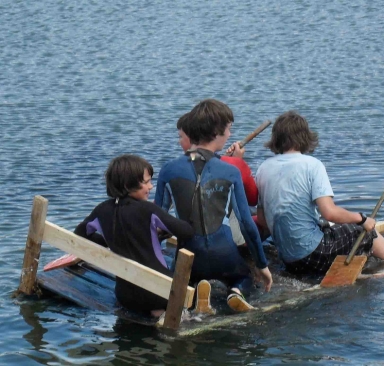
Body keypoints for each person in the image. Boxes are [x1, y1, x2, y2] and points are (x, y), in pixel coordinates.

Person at [155, 99, 272, 314]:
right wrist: (262, 266)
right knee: (244, 277)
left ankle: (197, 293)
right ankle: (236, 292)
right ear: (217, 133)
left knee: (186, 276)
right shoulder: (230, 171)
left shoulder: (168, 170)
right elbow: (247, 224)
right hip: (225, 256)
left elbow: (157, 220)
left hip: (189, 257)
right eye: (228, 129)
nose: (229, 135)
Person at [256, 111, 384, 275]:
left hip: (288, 259)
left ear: (276, 139)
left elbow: (262, 219)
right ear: (304, 137)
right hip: (312, 256)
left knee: (328, 226)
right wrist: (362, 219)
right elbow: (329, 213)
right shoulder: (312, 165)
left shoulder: (263, 168)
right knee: (364, 232)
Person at [74, 155, 195, 318]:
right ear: (127, 185)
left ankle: (155, 313)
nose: (151, 186)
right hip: (159, 292)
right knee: (184, 297)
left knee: (142, 298)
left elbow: (80, 234)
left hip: (126, 297)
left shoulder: (101, 210)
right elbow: (186, 231)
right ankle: (160, 313)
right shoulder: (148, 209)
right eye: (146, 182)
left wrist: (108, 241)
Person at [177, 112, 268, 242]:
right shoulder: (233, 164)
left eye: (180, 137)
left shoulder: (175, 167)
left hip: (192, 235)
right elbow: (253, 199)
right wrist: (238, 162)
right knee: (263, 217)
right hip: (228, 239)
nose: (179, 141)